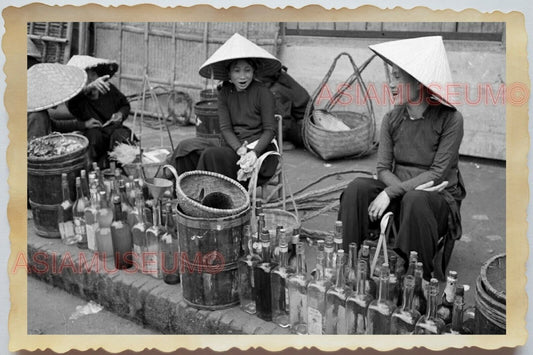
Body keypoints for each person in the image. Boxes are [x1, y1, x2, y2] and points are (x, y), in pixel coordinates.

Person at [338, 36, 466, 281]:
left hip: (435, 198)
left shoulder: (451, 119)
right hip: (401, 187)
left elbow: (437, 173)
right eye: (391, 76)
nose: (391, 83)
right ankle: (348, 263)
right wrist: (396, 190)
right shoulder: (391, 119)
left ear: (418, 82)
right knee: (357, 188)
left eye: (398, 77)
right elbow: (383, 168)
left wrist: (391, 193)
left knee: (416, 199)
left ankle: (412, 279)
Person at [171, 33, 280, 186]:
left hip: (260, 152)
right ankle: (183, 192)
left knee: (211, 155)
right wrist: (238, 149)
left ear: (253, 72)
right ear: (229, 73)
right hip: (233, 148)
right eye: (237, 71)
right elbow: (225, 128)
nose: (242, 76)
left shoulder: (263, 93)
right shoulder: (225, 93)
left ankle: (202, 197)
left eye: (247, 70)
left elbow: (270, 130)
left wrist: (253, 153)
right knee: (186, 149)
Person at [66, 55, 133, 168]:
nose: (92, 78)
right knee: (93, 136)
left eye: (93, 74)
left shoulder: (109, 89)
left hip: (113, 130)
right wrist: (87, 89)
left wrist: (120, 114)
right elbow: (72, 104)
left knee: (122, 136)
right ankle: (91, 170)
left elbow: (125, 105)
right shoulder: (78, 99)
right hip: (94, 135)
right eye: (87, 76)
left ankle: (122, 170)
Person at [27, 63, 88, 140]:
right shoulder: (37, 116)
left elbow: (54, 125)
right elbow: (36, 146)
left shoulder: (39, 111)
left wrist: (84, 124)